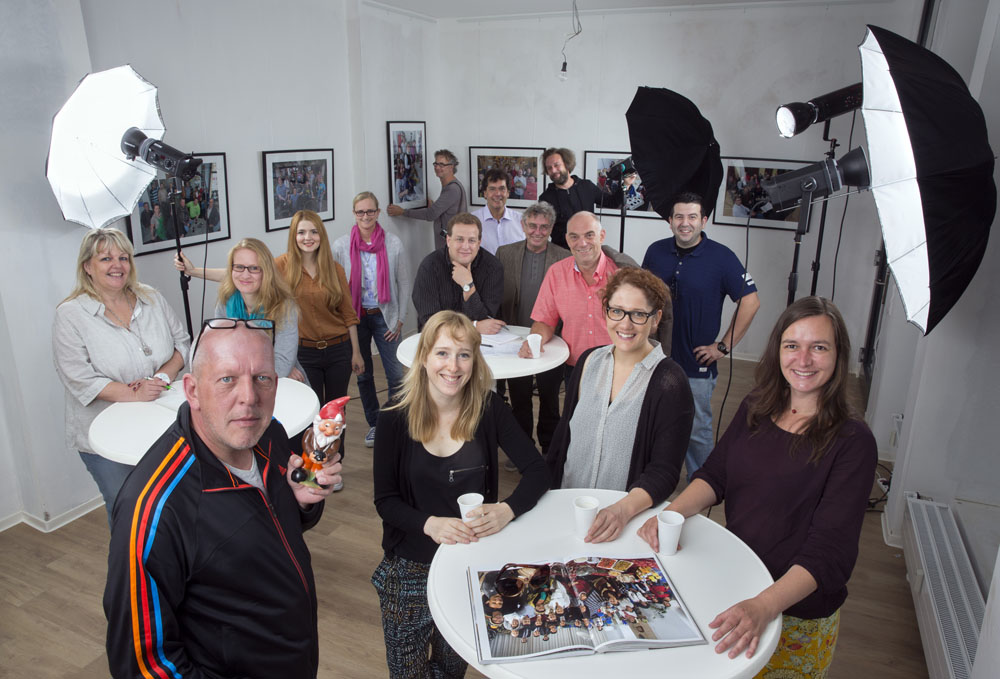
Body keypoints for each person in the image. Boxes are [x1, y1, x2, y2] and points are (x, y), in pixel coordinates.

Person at [637, 297, 877, 677]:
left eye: (819, 347)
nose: (803, 359)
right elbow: (716, 475)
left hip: (793, 613)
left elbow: (829, 554)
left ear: (838, 355)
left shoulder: (853, 441)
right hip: (738, 581)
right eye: (792, 345)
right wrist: (671, 514)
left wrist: (764, 605)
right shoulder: (757, 406)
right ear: (777, 349)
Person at [104, 319, 338, 678]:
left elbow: (270, 527)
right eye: (227, 379)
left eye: (262, 378)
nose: (249, 397)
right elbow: (143, 666)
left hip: (294, 657)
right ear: (192, 390)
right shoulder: (153, 508)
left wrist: (303, 502)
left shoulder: (269, 433)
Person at [371, 310, 549, 678]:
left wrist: (507, 509)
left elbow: (538, 470)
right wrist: (429, 524)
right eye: (442, 353)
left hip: (469, 564)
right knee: (406, 671)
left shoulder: (488, 409)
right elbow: (385, 501)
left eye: (463, 354)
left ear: (474, 361)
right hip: (410, 568)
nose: (453, 366)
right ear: (424, 357)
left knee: (452, 667)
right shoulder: (393, 416)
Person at [53, 228, 189, 525]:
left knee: (171, 500)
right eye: (106, 258)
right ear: (87, 266)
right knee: (127, 508)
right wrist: (134, 393)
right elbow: (78, 377)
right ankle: (132, 557)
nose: (117, 265)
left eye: (123, 257)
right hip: (106, 432)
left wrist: (161, 379)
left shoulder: (151, 298)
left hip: (161, 423)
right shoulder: (71, 314)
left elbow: (182, 344)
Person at [547, 267, 693, 543]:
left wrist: (622, 511)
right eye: (617, 311)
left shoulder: (670, 382)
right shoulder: (588, 362)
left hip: (624, 522)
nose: (625, 324)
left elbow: (665, 471)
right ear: (605, 312)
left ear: (655, 319)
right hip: (568, 508)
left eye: (638, 314)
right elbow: (563, 438)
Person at [642, 191, 761, 477]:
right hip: (654, 358)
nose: (685, 223)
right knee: (652, 423)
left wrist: (723, 346)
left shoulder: (722, 257)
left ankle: (702, 485)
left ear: (703, 221)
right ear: (670, 221)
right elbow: (642, 295)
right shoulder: (655, 251)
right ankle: (652, 480)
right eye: (679, 217)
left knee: (696, 429)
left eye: (692, 217)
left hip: (695, 363)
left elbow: (750, 301)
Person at [518, 212, 649, 381]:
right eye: (574, 237)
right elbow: (545, 321)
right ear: (567, 240)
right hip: (575, 368)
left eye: (589, 235)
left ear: (602, 236)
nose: (582, 243)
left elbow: (640, 324)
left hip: (618, 367)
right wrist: (534, 341)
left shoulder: (623, 275)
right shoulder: (556, 273)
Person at [331, 191, 411, 449]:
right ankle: (376, 424)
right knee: (363, 375)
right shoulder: (341, 246)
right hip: (356, 319)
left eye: (370, 211)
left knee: (395, 375)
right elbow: (336, 287)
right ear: (354, 214)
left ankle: (395, 424)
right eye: (360, 212)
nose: (365, 216)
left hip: (385, 316)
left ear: (377, 212)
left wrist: (400, 319)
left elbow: (404, 282)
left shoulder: (393, 244)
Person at [174, 239, 307, 382]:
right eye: (239, 267)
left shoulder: (284, 306)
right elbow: (223, 352)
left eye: (254, 268)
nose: (245, 275)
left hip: (282, 383)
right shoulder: (225, 303)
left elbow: (282, 365)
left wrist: (239, 373)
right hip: (243, 381)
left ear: (266, 271)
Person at [495, 201, 568, 454]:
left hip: (551, 340)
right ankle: (523, 450)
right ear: (523, 225)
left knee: (550, 399)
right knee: (519, 399)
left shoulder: (564, 257)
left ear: (551, 228)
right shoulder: (505, 253)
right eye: (533, 225)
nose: (538, 231)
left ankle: (549, 449)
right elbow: (497, 295)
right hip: (515, 340)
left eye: (544, 227)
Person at [411, 212, 504, 332]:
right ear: (448, 240)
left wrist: (468, 286)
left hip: (482, 340)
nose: (465, 246)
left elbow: (486, 320)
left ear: (479, 243)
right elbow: (430, 321)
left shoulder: (493, 267)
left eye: (472, 240)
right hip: (437, 338)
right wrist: (474, 326)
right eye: (459, 239)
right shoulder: (429, 266)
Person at [538, 148, 622, 248]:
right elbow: (543, 230)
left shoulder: (587, 186)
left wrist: (625, 186)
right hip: (562, 252)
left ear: (567, 164)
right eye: (549, 168)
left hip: (589, 249)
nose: (553, 170)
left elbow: (612, 202)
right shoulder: (545, 198)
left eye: (556, 165)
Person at [387, 149, 467, 250]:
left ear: (451, 167)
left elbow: (430, 214)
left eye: (442, 164)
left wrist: (403, 212)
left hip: (451, 248)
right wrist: (434, 205)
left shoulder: (452, 189)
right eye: (436, 164)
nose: (437, 167)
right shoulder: (451, 186)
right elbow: (445, 211)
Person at [470, 168, 524, 255]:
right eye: (492, 189)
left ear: (508, 193)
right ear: (485, 193)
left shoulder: (522, 221)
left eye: (502, 189)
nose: (498, 194)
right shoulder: (471, 221)